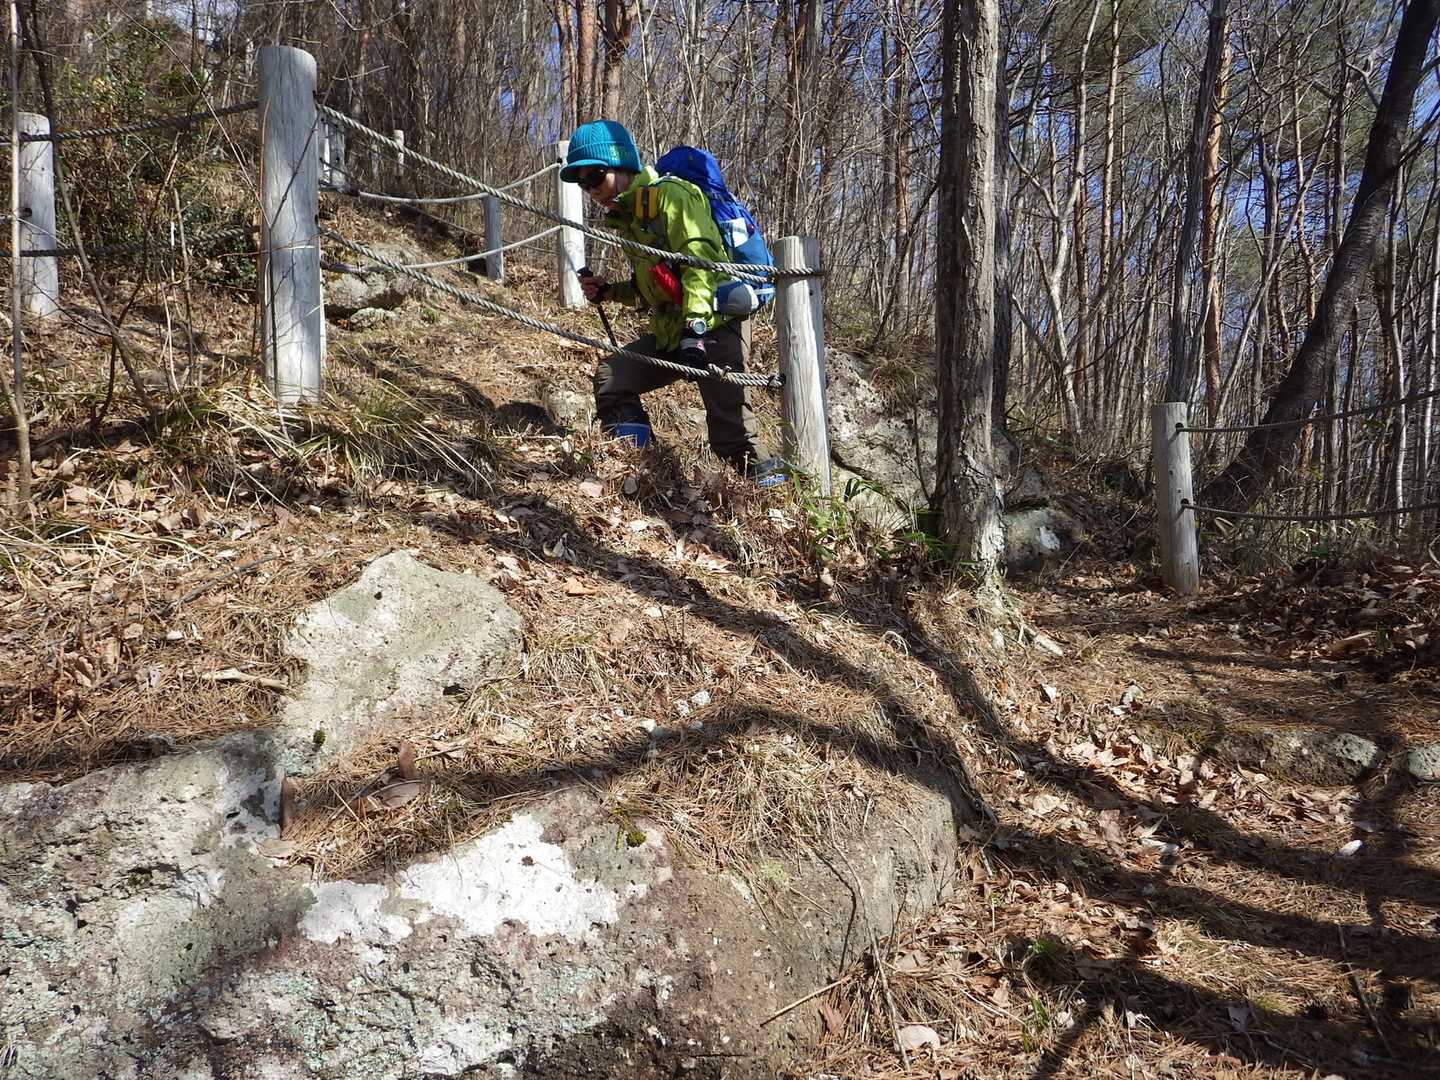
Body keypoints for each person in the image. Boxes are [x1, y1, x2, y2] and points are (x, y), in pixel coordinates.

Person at [559, 120, 783, 485]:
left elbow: (700, 264)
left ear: (621, 164)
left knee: (733, 438)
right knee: (612, 378)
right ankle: (638, 474)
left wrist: (695, 327)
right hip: (673, 331)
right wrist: (610, 291)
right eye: (584, 184)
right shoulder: (632, 216)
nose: (592, 190)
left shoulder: (672, 196)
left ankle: (776, 501)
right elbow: (659, 284)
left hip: (715, 325)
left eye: (596, 177)